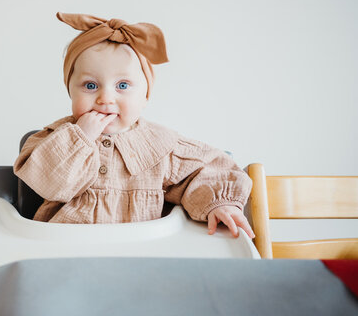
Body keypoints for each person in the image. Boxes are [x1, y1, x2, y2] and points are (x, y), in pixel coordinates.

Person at [13, 12, 255, 238]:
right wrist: (80, 137)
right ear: (70, 91)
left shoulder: (161, 145)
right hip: (67, 250)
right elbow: (48, 182)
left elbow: (206, 168)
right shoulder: (56, 138)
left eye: (122, 86)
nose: (105, 98)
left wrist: (220, 203)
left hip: (140, 253)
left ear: (145, 96)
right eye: (90, 86)